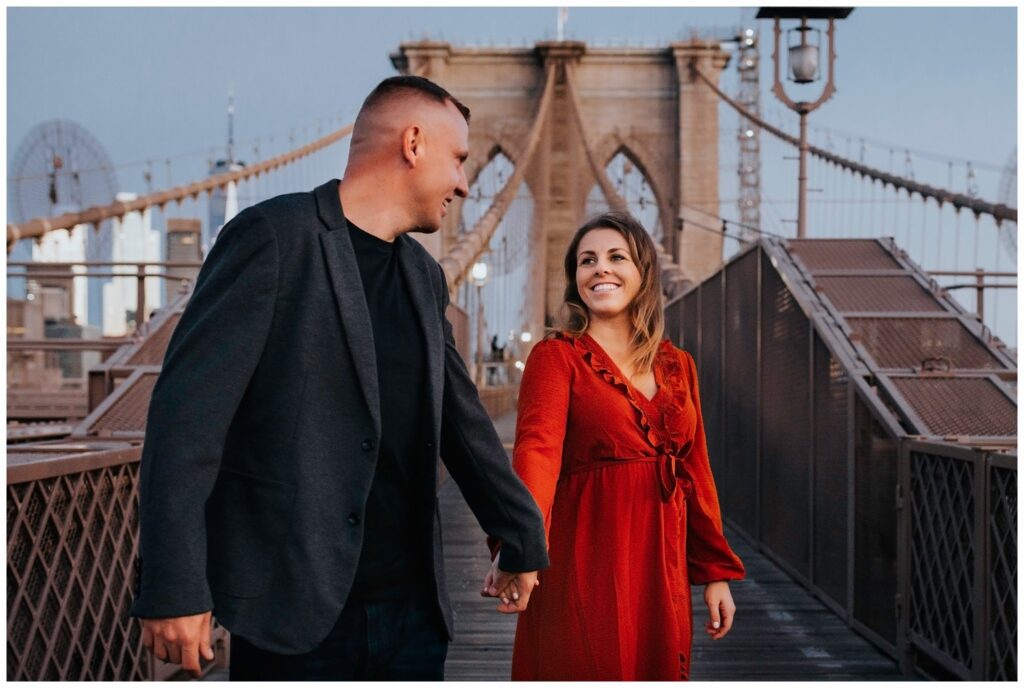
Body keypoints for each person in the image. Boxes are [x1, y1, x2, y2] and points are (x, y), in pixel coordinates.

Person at [130, 75, 548, 681]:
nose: (464, 182)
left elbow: (463, 423)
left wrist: (521, 534)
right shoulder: (273, 239)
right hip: (294, 617)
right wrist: (172, 585)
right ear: (412, 143)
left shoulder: (423, 277)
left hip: (414, 620)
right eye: (458, 159)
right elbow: (185, 420)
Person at [495, 211, 745, 680]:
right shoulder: (556, 357)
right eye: (587, 260)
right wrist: (521, 550)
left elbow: (696, 471)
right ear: (575, 279)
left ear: (643, 272)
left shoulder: (678, 365)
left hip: (659, 563)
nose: (600, 269)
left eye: (616, 257)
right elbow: (537, 454)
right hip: (584, 557)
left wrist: (714, 572)